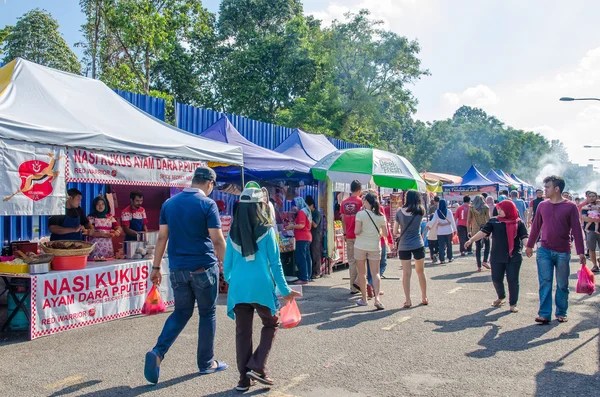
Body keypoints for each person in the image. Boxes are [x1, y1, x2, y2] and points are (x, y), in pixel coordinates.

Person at [144, 166, 228, 384]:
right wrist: (229, 268)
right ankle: (206, 363)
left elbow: (162, 238)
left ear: (193, 180)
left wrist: (155, 269)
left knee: (181, 312)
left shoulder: (169, 204)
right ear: (209, 183)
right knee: (207, 313)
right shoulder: (207, 204)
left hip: (177, 269)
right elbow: (218, 241)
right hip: (203, 268)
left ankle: (158, 352)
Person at [223, 185, 300, 392]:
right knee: (271, 323)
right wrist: (285, 291)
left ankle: (243, 380)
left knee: (243, 332)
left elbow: (227, 267)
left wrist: (236, 281)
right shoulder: (267, 231)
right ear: (259, 207)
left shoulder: (232, 233)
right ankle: (257, 366)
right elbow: (276, 264)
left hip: (239, 288)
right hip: (261, 287)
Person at [526, 175, 585, 324]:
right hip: (544, 250)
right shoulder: (542, 205)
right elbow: (536, 227)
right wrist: (530, 245)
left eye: (547, 187)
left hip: (563, 251)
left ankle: (561, 312)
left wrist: (581, 252)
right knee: (545, 282)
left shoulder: (570, 206)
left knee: (562, 284)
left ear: (557, 189)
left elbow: (577, 230)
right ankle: (544, 314)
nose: (544, 189)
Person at [466, 200, 529, 313]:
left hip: (514, 256)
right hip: (496, 255)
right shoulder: (494, 221)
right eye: (498, 208)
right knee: (496, 279)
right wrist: (471, 240)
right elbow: (483, 232)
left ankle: (513, 304)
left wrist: (528, 247)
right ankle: (501, 296)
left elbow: (524, 237)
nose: (498, 210)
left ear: (509, 210)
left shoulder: (518, 222)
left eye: (501, 209)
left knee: (513, 280)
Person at [354, 192, 388, 309]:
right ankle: (377, 299)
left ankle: (364, 299)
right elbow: (386, 233)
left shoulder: (360, 214)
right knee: (376, 273)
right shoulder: (380, 215)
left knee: (362, 274)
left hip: (360, 246)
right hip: (374, 246)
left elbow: (357, 231)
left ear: (367, 202)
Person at [395, 190, 427, 308]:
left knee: (406, 273)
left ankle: (408, 300)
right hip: (418, 243)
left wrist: (402, 231)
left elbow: (395, 231)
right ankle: (424, 296)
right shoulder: (421, 211)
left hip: (404, 245)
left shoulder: (399, 212)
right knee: (420, 272)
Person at [341, 180, 363, 294]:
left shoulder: (344, 202)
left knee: (351, 261)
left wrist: (344, 233)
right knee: (361, 261)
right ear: (359, 190)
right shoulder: (361, 202)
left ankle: (352, 287)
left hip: (349, 235)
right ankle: (359, 285)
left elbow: (343, 219)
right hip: (360, 235)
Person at [285, 197, 312, 285]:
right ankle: (308, 276)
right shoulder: (306, 210)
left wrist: (291, 226)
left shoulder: (301, 212)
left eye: (294, 206)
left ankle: (304, 278)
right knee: (307, 258)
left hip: (302, 237)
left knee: (301, 258)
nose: (293, 209)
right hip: (307, 237)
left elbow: (301, 225)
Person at [467, 195, 490, 271]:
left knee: (478, 247)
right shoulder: (486, 207)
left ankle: (479, 266)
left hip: (475, 228)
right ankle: (485, 261)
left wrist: (469, 230)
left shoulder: (471, 207)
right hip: (485, 228)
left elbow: (468, 219)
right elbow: (488, 219)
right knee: (487, 245)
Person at [430, 199, 457, 264]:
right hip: (448, 231)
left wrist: (429, 226)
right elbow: (452, 221)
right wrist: (455, 230)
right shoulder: (449, 211)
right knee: (449, 245)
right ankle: (450, 258)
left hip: (440, 231)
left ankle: (442, 259)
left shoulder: (437, 212)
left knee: (441, 246)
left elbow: (433, 220)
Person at [581, 191, 600, 273]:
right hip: (590, 231)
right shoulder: (585, 208)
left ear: (596, 197)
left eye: (593, 196)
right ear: (587, 198)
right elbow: (585, 218)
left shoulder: (598, 206)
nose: (592, 198)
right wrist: (596, 220)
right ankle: (595, 265)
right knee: (591, 249)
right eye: (590, 196)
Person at [305, 195, 323, 279]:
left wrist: (309, 217)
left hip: (315, 235)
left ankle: (317, 272)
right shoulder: (309, 212)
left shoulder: (316, 213)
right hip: (309, 235)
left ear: (312, 205)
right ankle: (311, 272)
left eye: (308, 206)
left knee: (315, 254)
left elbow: (315, 225)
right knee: (311, 254)